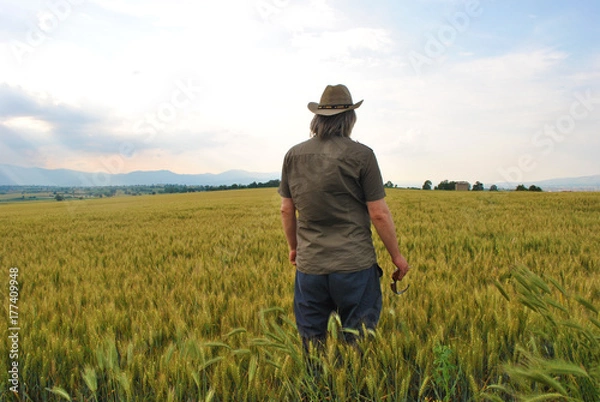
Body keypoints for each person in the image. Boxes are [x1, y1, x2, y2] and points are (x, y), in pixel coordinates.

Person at [278, 84, 410, 351]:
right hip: (355, 266)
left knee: (313, 344)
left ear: (317, 118)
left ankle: (317, 389)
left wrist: (294, 248)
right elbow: (379, 214)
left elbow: (286, 209)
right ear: (350, 118)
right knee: (358, 342)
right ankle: (353, 386)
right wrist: (396, 256)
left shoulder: (293, 155)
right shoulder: (362, 155)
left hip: (311, 266)